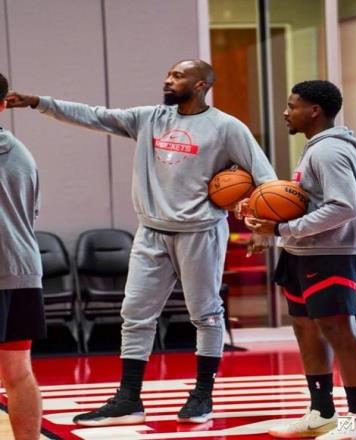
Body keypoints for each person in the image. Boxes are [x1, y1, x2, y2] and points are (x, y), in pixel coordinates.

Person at [7, 59, 277, 426]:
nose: (168, 80)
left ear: (201, 85)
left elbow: (265, 179)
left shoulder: (227, 127)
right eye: (168, 74)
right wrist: (39, 102)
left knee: (206, 314)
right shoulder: (150, 118)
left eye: (178, 76)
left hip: (199, 232)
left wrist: (263, 226)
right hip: (150, 232)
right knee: (134, 314)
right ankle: (129, 398)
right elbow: (94, 115)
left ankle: (203, 395)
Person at [240, 80, 356, 439]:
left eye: (293, 105)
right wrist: (264, 216)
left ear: (314, 110)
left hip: (331, 255)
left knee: (339, 331)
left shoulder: (330, 151)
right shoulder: (315, 148)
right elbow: (306, 202)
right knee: (305, 328)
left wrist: (282, 228)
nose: (286, 112)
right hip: (302, 252)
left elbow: (344, 207)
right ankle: (321, 412)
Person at [0, 72, 46, 439]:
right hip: (22, 269)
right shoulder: (22, 154)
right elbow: (32, 214)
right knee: (18, 372)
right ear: (3, 105)